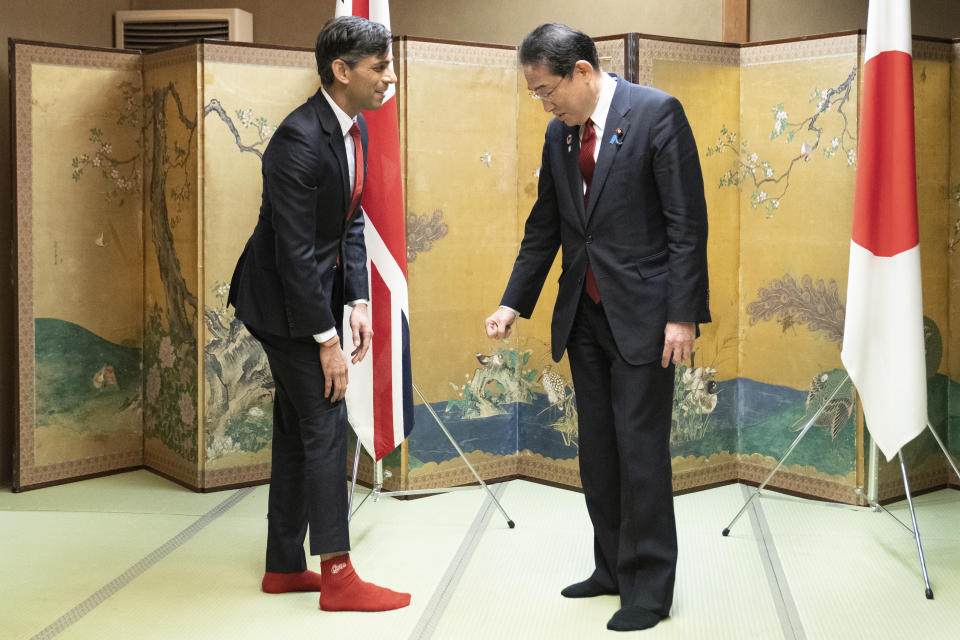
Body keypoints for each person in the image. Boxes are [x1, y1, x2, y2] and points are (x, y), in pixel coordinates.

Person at [485, 23, 710, 632]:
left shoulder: (658, 114)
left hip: (646, 316)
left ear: (582, 71)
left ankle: (648, 588)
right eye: (536, 94)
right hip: (583, 316)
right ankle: (610, 567)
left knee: (640, 454)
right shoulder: (560, 139)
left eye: (546, 90)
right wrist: (513, 303)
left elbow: (687, 223)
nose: (544, 103)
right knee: (599, 453)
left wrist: (682, 315)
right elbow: (546, 229)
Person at [228, 15, 409, 612]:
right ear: (342, 70)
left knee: (296, 427)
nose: (390, 78)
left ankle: (284, 566)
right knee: (326, 427)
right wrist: (326, 339)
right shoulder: (298, 139)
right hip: (280, 302)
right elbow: (293, 252)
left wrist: (357, 300)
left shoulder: (351, 127)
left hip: (314, 295)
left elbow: (350, 218)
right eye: (379, 67)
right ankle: (337, 573)